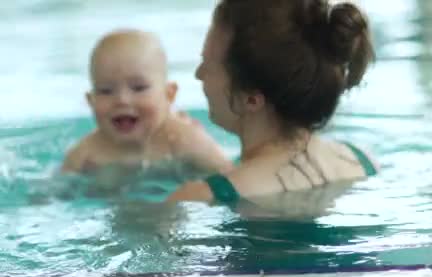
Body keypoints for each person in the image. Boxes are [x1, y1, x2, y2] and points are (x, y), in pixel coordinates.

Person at [168, 0, 378, 205]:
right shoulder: (363, 162)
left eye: (208, 64)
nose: (199, 74)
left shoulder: (205, 197)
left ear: (251, 99)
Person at [61, 29, 233, 175]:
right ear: (91, 101)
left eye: (138, 88)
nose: (122, 100)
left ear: (169, 95)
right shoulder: (86, 154)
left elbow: (232, 178)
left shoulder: (184, 142)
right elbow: (51, 194)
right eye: (106, 91)